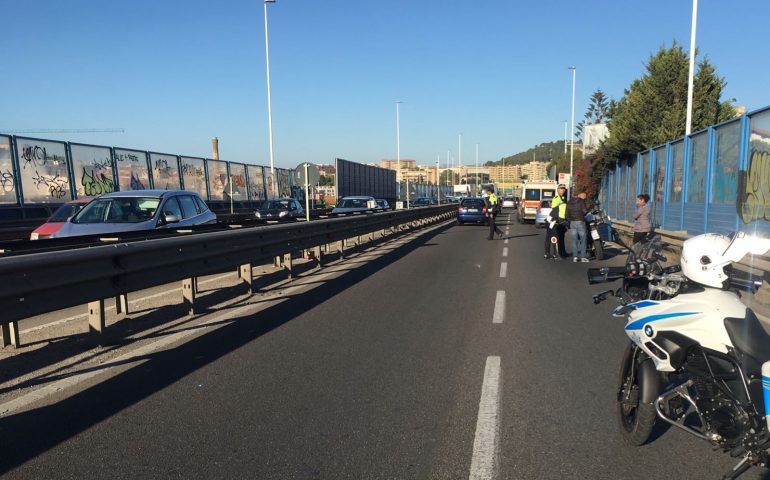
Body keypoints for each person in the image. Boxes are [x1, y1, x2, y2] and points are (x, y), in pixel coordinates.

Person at [566, 191, 590, 262]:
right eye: (584, 197)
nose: (584, 199)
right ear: (582, 196)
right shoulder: (581, 201)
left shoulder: (569, 201)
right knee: (583, 240)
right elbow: (585, 211)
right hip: (580, 222)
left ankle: (575, 257)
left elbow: (566, 214)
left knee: (574, 240)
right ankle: (583, 257)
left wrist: (570, 220)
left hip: (572, 223)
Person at [550, 184, 569, 257]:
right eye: (561, 189)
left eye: (564, 189)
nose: (563, 190)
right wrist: (557, 220)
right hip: (559, 219)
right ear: (558, 190)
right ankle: (560, 253)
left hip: (564, 219)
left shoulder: (564, 197)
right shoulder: (556, 198)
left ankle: (563, 252)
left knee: (562, 236)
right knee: (559, 237)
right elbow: (554, 210)